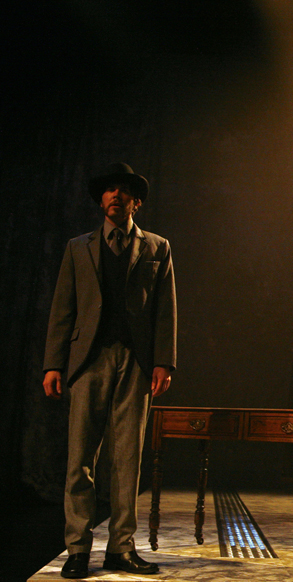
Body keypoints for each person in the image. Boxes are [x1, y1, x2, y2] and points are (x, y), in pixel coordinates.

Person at [43, 162, 177, 578]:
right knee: (80, 458)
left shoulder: (157, 247)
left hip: (135, 363)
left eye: (124, 190)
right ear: (101, 200)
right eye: (109, 190)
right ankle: (78, 550)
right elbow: (63, 309)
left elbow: (165, 309)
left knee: (127, 461)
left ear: (136, 202)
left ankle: (121, 548)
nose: (115, 195)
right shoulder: (78, 247)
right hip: (89, 361)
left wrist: (163, 361)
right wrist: (53, 364)